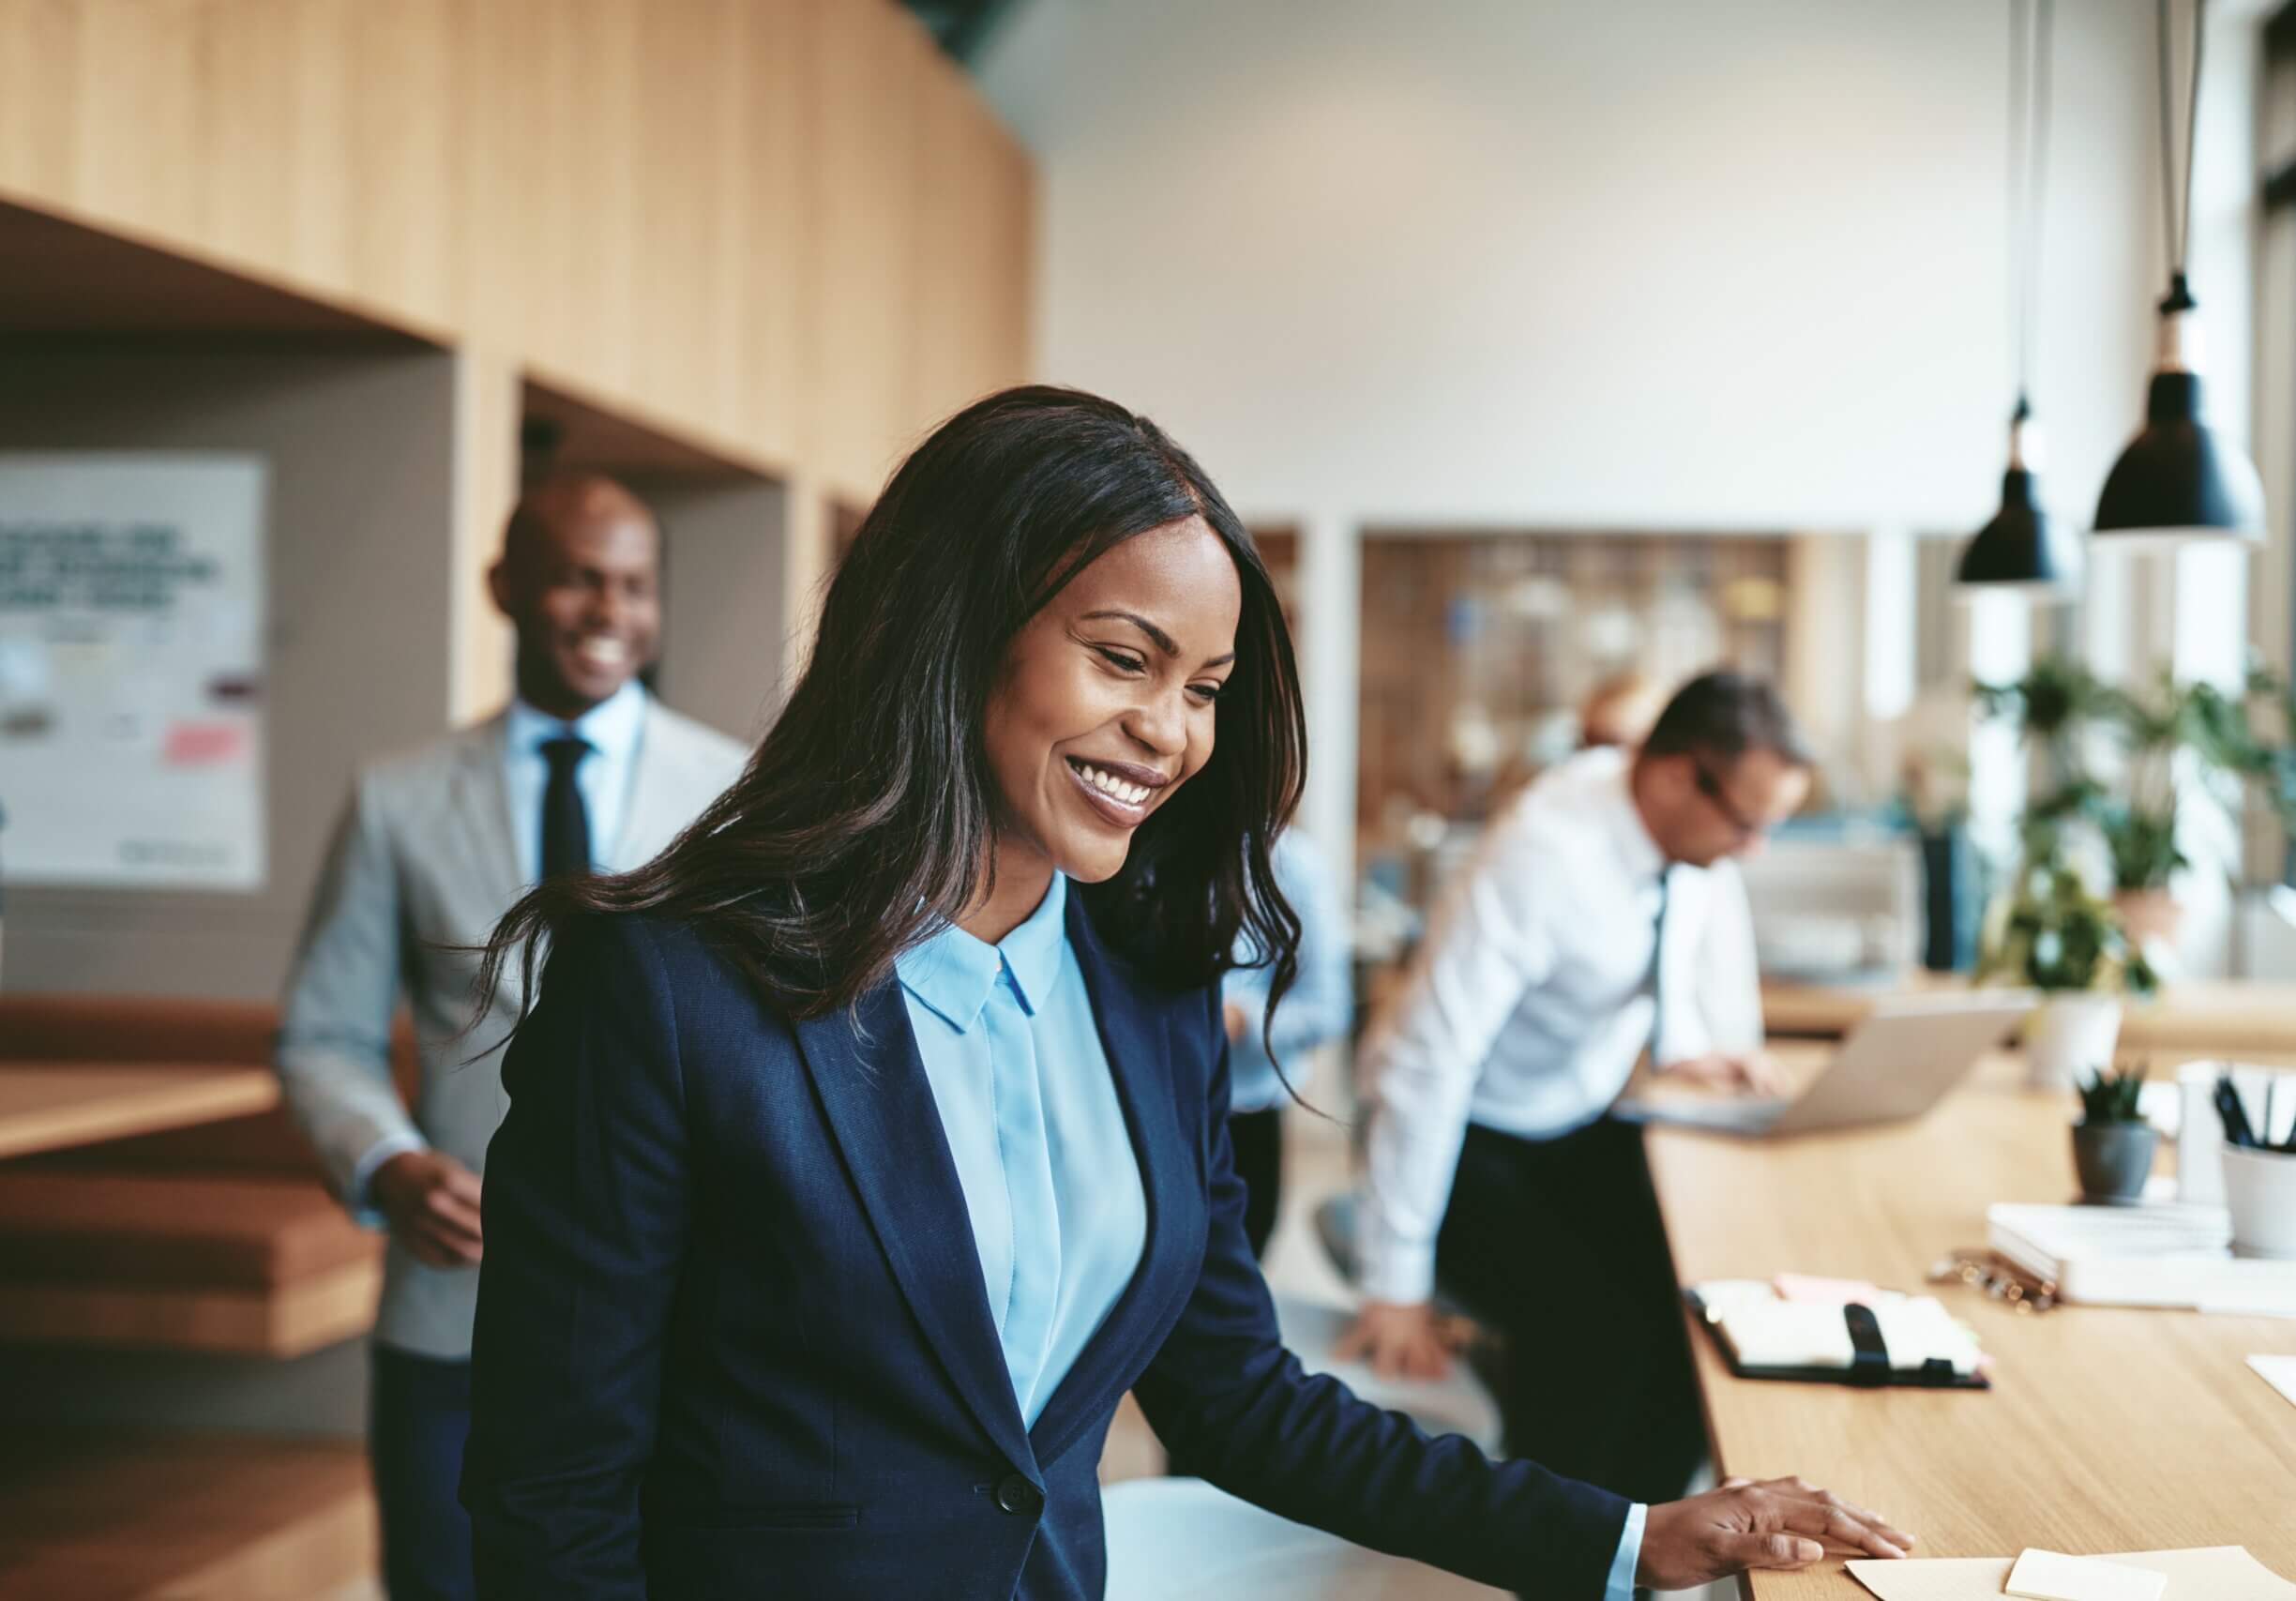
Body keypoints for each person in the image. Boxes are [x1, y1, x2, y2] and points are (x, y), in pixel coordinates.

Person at [459, 389, 1911, 1600]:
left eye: (1205, 684)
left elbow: (1239, 1397)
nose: (1168, 733)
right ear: (955, 632)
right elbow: (552, 1502)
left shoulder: (1151, 997)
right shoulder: (663, 990)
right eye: (1123, 657)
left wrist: (1621, 1533)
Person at [275, 475, 748, 1601]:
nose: (607, 611)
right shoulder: (395, 798)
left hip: (686, 1321)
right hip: (454, 1319)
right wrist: (385, 1165)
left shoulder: (737, 793)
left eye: (635, 586)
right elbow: (322, 1034)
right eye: (579, 578)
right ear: (505, 587)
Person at [1338, 671, 1810, 1509]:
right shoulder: (1545, 856)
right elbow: (1428, 1061)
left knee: (1694, 1293)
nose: (1754, 849)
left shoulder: (1679, 839)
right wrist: (1396, 1281)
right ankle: (1558, 1559)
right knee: (1594, 1332)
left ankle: (1643, 1539)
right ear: (1674, 775)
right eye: (1748, 824)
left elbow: (1677, 947)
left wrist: (1695, 1046)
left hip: (1567, 1114)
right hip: (1463, 1130)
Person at [1221, 826, 1351, 1258]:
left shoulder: (1294, 866)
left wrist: (1239, 1018)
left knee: (1241, 1260)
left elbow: (1328, 1010)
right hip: (1153, 1107)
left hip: (1245, 1115)